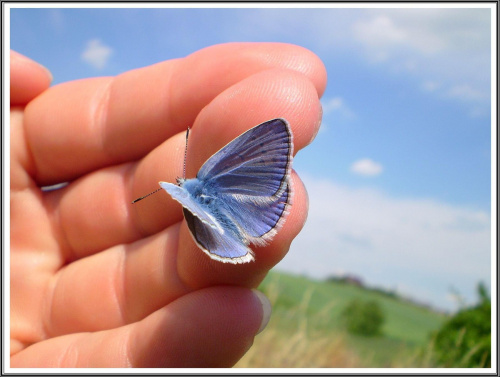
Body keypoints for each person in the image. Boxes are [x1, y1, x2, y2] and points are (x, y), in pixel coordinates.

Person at [10, 43, 327, 367]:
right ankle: (240, 236)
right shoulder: (205, 173)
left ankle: (233, 241)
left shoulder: (191, 180)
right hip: (249, 212)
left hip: (227, 220)